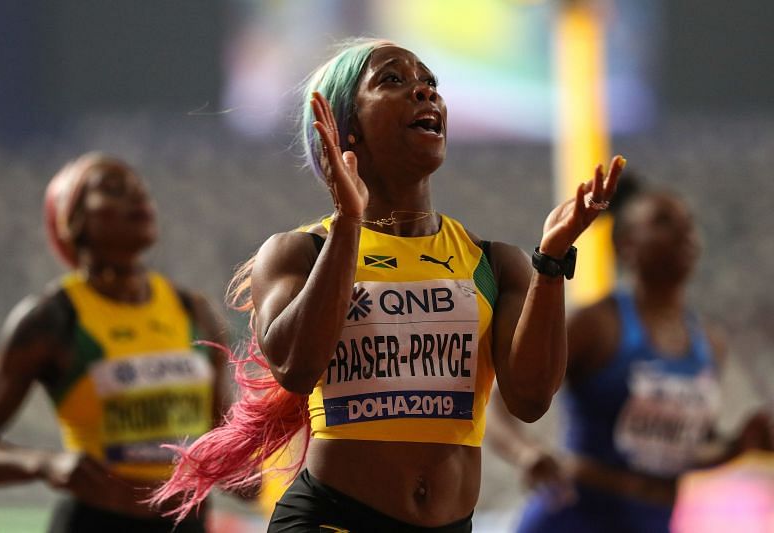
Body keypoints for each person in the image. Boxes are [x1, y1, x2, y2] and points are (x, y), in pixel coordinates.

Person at [154, 38, 624, 532]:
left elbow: (530, 401)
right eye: (393, 80)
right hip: (332, 520)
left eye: (430, 84)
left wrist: (550, 262)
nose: (424, 92)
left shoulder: (494, 263)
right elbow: (295, 367)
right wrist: (348, 223)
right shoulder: (299, 252)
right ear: (346, 129)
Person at [486, 176, 774, 533]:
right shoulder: (596, 324)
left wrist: (738, 446)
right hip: (574, 518)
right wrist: (526, 453)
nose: (685, 232)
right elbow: (499, 401)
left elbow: (685, 452)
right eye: (664, 222)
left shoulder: (709, 343)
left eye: (690, 224)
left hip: (654, 521)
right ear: (626, 245)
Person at [0, 152, 229, 533]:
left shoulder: (193, 310)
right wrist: (43, 464)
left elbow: (222, 431)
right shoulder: (52, 319)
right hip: (97, 522)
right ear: (73, 221)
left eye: (140, 190)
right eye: (113, 189)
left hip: (187, 523)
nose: (138, 198)